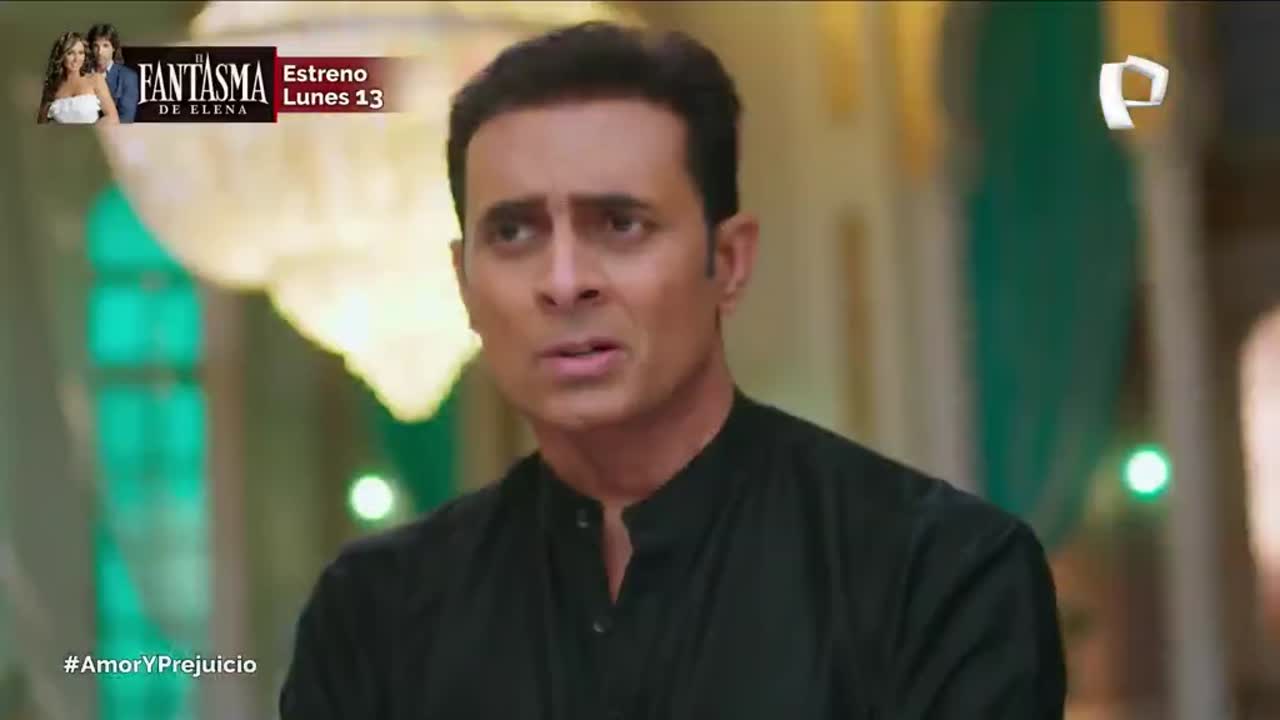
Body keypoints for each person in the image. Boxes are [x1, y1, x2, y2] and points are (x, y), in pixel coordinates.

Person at [279, 21, 1066, 720]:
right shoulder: (376, 611)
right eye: (514, 233)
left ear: (729, 261)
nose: (564, 282)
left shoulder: (939, 572)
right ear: (464, 283)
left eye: (620, 224)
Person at [36, 32, 118, 125]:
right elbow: (41, 124)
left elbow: (112, 117)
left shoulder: (95, 80)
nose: (76, 59)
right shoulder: (51, 87)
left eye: (80, 53)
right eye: (70, 53)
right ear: (61, 56)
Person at [86, 23, 138, 123]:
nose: (100, 52)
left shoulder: (127, 76)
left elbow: (126, 119)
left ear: (114, 48)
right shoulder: (83, 74)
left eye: (105, 46)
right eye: (96, 46)